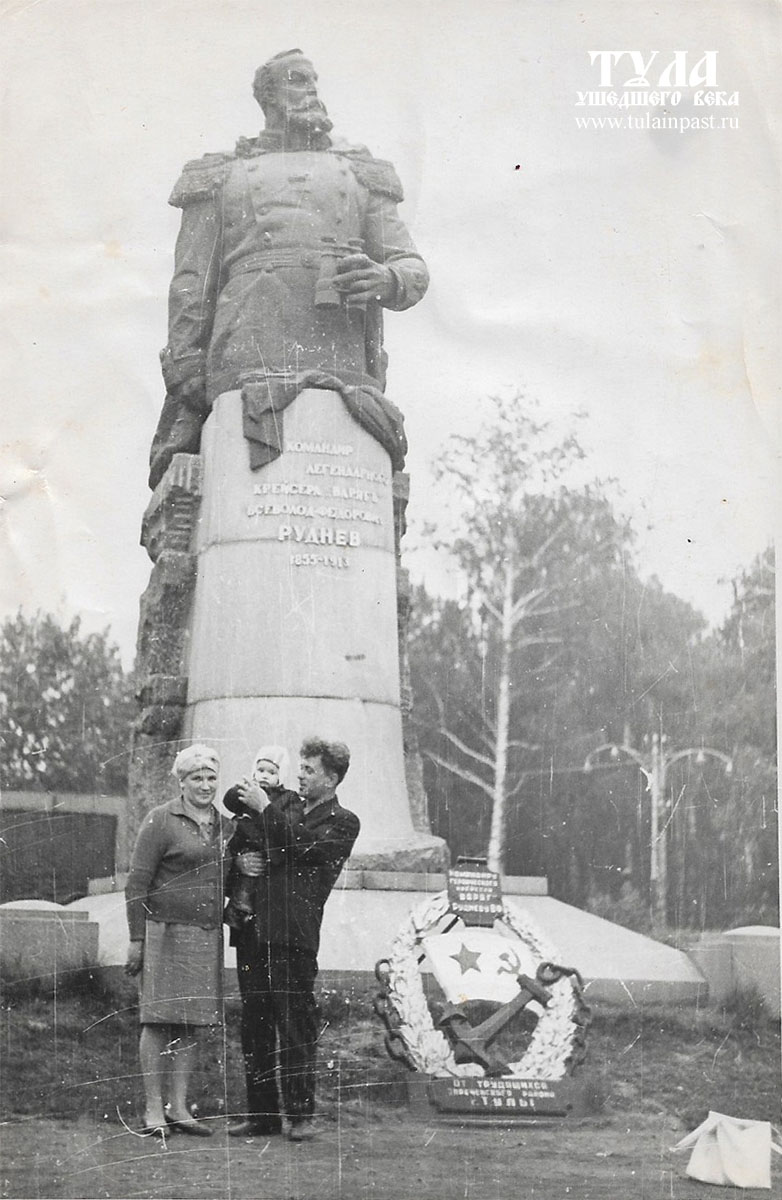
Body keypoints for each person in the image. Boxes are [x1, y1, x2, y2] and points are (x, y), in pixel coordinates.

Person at [149, 47, 429, 488]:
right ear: (268, 97)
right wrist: (187, 367)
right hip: (247, 343)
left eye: (314, 80)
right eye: (298, 80)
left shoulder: (359, 173)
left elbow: (409, 264)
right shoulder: (220, 174)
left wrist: (386, 279)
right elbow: (190, 282)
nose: (312, 89)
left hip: (338, 348)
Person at [227, 737, 360, 1141]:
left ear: (332, 778)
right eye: (299, 769)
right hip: (253, 929)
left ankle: (301, 1116)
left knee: (295, 1025)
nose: (299, 776)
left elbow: (297, 846)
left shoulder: (343, 821)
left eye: (309, 770)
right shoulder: (285, 807)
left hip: (293, 935)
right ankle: (263, 1115)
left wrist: (265, 810)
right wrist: (238, 862)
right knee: (255, 1025)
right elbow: (250, 841)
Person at [124, 744, 231, 1138]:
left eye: (210, 777)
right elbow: (137, 883)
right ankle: (153, 1108)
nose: (205, 785)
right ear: (181, 782)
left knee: (192, 1025)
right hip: (163, 934)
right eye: (196, 777)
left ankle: (179, 1107)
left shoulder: (225, 825)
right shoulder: (161, 820)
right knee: (157, 1021)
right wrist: (137, 938)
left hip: (205, 935)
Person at [222, 745, 299, 930]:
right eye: (260, 770)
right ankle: (236, 909)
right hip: (245, 845)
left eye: (272, 772)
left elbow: (290, 825)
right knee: (244, 880)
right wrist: (242, 788)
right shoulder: (250, 792)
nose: (264, 775)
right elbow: (229, 801)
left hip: (268, 849)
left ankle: (243, 908)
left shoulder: (288, 797)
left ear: (281, 775)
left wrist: (264, 805)